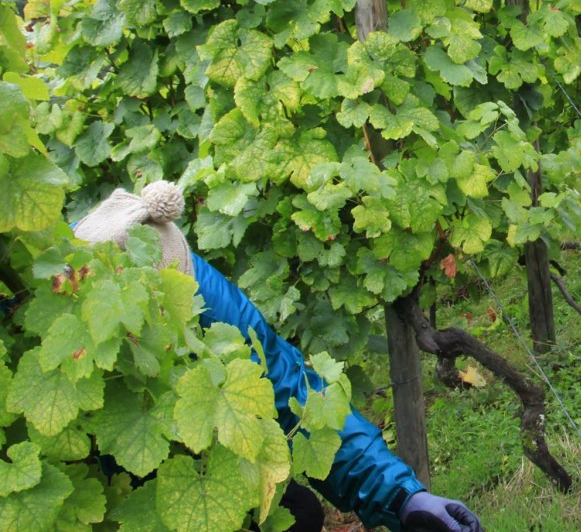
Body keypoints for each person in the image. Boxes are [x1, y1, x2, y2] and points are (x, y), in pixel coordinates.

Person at [71, 181, 485, 532]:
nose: (181, 307)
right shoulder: (62, 328)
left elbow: (291, 390)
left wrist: (404, 497)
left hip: (208, 473)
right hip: (123, 499)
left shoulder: (208, 300)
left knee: (297, 513)